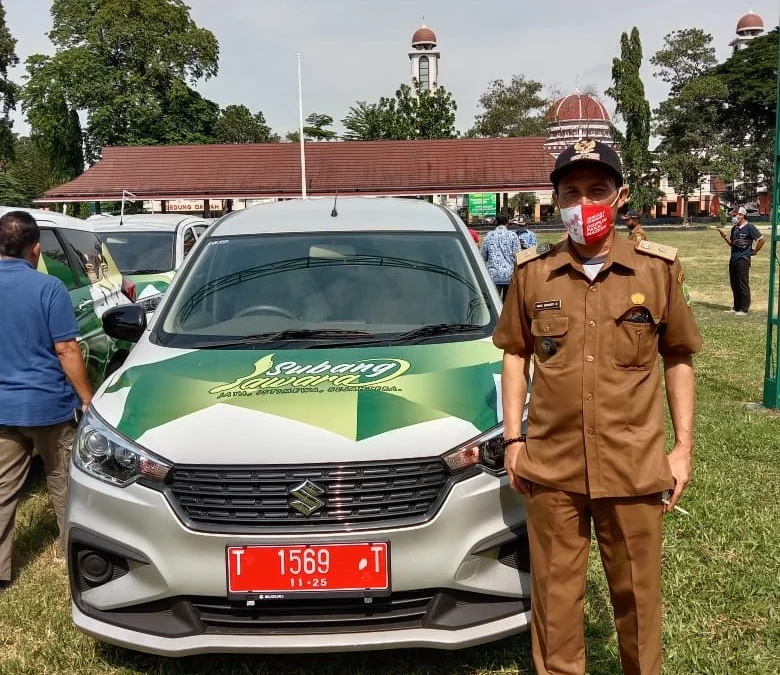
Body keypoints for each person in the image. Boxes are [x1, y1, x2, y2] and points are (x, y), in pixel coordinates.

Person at [493, 139, 702, 675]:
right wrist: (514, 440)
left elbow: (677, 356)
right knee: (555, 603)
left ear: (620, 195)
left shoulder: (656, 272)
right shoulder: (533, 274)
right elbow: (515, 355)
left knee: (638, 600)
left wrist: (682, 449)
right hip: (552, 467)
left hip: (632, 466)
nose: (583, 203)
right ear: (556, 200)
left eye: (597, 190)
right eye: (571, 192)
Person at [0, 211, 93, 591]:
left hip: (3, 409)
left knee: (3, 489)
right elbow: (67, 348)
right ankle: (71, 551)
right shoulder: (48, 288)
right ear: (35, 249)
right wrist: (86, 398)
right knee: (63, 481)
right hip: (48, 407)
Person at [717, 206, 764, 315]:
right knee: (734, 284)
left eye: (735, 215)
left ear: (742, 215)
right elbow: (732, 244)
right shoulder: (734, 229)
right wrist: (724, 237)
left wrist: (755, 252)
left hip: (743, 259)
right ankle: (736, 307)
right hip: (733, 259)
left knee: (743, 284)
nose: (733, 217)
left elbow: (761, 240)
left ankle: (744, 309)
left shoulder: (750, 228)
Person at [480, 213, 520, 300]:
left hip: (493, 275)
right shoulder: (513, 235)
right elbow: (517, 256)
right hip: (509, 275)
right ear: (507, 222)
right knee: (507, 306)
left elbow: (483, 256)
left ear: (496, 221)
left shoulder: (489, 235)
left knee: (494, 303)